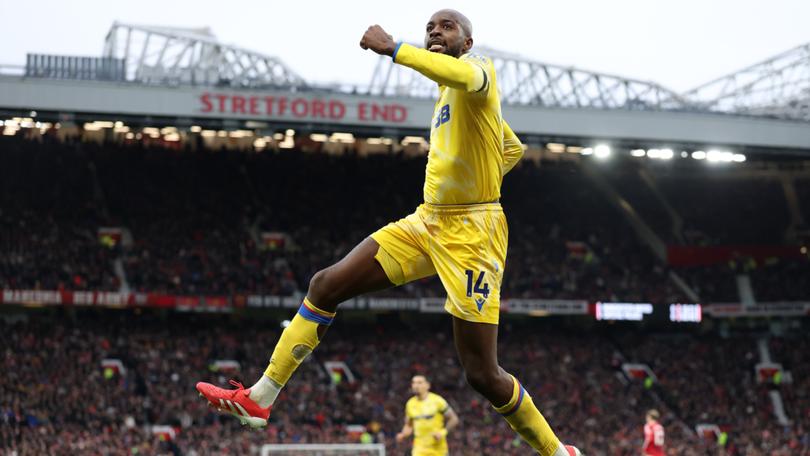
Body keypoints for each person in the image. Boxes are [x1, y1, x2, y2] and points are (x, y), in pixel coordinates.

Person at [197, 9, 581, 456]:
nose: (436, 31)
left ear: (468, 43)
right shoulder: (447, 99)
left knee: (481, 373)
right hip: (427, 220)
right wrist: (482, 170)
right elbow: (510, 146)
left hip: (473, 235)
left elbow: (460, 77)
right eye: (430, 28)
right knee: (326, 284)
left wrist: (397, 49)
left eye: (447, 27)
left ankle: (558, 452)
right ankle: (260, 400)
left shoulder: (479, 72)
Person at [395, 375, 459, 456]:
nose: (416, 385)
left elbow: (454, 419)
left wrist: (442, 432)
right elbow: (409, 425)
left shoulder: (437, 401)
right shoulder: (410, 404)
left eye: (420, 382)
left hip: (438, 449)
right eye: (413, 383)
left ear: (428, 385)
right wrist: (403, 434)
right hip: (419, 449)